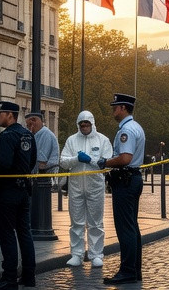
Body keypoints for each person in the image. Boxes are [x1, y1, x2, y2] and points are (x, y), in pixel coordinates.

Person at [97, 93, 145, 284]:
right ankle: (134, 270)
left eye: (115, 107)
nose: (113, 110)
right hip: (132, 179)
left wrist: (105, 162)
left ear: (123, 108)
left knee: (125, 228)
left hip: (125, 180)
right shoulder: (135, 127)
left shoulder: (127, 131)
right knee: (132, 227)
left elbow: (125, 158)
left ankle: (127, 271)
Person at [0, 101, 36, 290]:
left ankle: (9, 278)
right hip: (23, 189)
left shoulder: (6, 136)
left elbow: (4, 163)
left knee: (7, 234)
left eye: (0, 113)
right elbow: (32, 160)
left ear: (10, 115)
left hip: (7, 190)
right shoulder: (27, 135)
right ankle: (29, 276)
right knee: (25, 233)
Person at [61, 111, 113, 267]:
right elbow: (63, 161)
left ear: (92, 124)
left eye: (87, 124)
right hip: (76, 187)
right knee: (76, 222)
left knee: (96, 223)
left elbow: (107, 163)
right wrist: (76, 159)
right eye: (81, 125)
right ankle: (77, 254)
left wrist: (90, 160)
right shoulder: (72, 140)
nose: (84, 127)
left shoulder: (103, 140)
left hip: (95, 187)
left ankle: (96, 254)